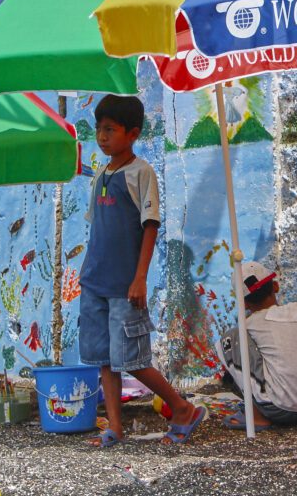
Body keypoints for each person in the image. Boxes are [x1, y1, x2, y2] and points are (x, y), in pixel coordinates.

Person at [79, 94, 204, 447]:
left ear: (132, 133)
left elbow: (150, 226)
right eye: (99, 129)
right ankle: (115, 428)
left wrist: (140, 279)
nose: (102, 137)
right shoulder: (100, 173)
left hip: (125, 285)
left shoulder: (141, 172)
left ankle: (182, 408)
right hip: (94, 282)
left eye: (110, 130)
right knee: (104, 360)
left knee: (132, 360)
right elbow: (97, 228)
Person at [217, 261, 297, 431]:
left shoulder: (249, 325)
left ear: (244, 303)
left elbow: (233, 368)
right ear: (275, 286)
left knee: (231, 338)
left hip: (279, 410)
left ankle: (256, 417)